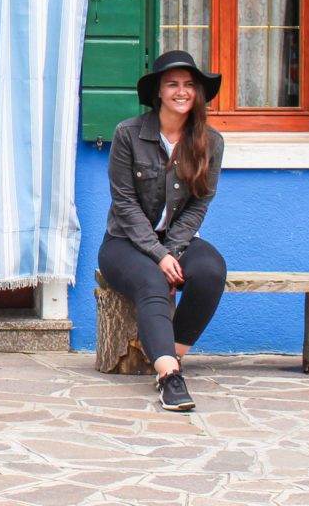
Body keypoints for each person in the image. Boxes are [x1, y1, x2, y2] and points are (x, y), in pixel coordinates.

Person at [97, 49, 226, 412]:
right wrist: (159, 255)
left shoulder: (210, 142)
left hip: (177, 241)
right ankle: (169, 377)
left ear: (198, 92)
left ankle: (175, 355)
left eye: (189, 85)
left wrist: (173, 248)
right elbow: (124, 204)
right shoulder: (129, 134)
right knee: (153, 283)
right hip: (125, 243)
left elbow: (200, 203)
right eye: (172, 84)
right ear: (158, 92)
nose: (181, 91)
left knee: (211, 272)